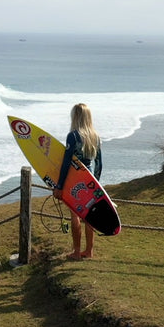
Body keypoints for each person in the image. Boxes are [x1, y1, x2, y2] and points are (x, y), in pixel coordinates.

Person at [56, 103, 102, 260]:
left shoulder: (73, 136)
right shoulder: (95, 136)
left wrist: (59, 186)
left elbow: (66, 163)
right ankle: (89, 251)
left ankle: (76, 252)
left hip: (75, 180)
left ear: (75, 117)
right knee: (90, 216)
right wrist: (96, 185)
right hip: (90, 179)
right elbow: (99, 164)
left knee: (75, 215)